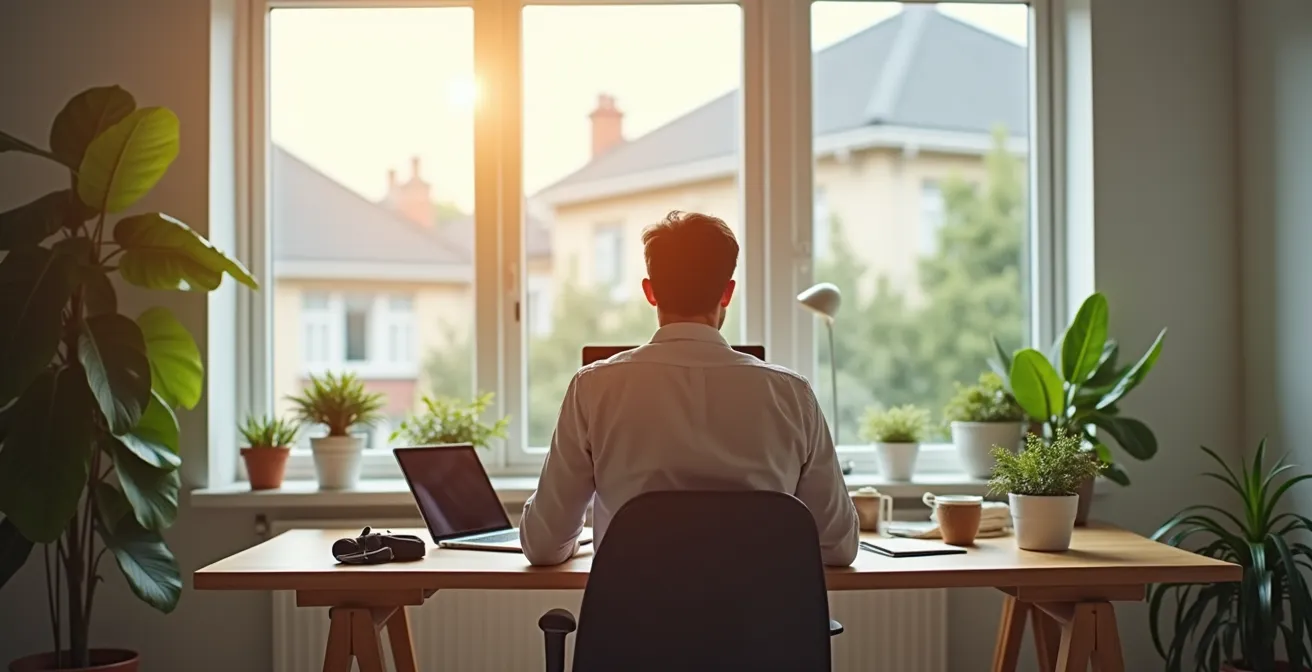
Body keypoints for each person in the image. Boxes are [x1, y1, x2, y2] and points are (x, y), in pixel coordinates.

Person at [518, 210, 859, 567]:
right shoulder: (792, 396)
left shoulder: (593, 389)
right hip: (758, 623)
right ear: (727, 293)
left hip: (634, 622)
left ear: (650, 292)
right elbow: (838, 548)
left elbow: (543, 546)